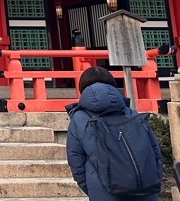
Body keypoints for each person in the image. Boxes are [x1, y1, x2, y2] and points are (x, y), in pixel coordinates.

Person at [66, 66, 162, 201]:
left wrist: (93, 189)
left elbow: (76, 162)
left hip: (104, 191)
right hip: (145, 189)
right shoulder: (130, 113)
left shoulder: (79, 118)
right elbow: (154, 152)